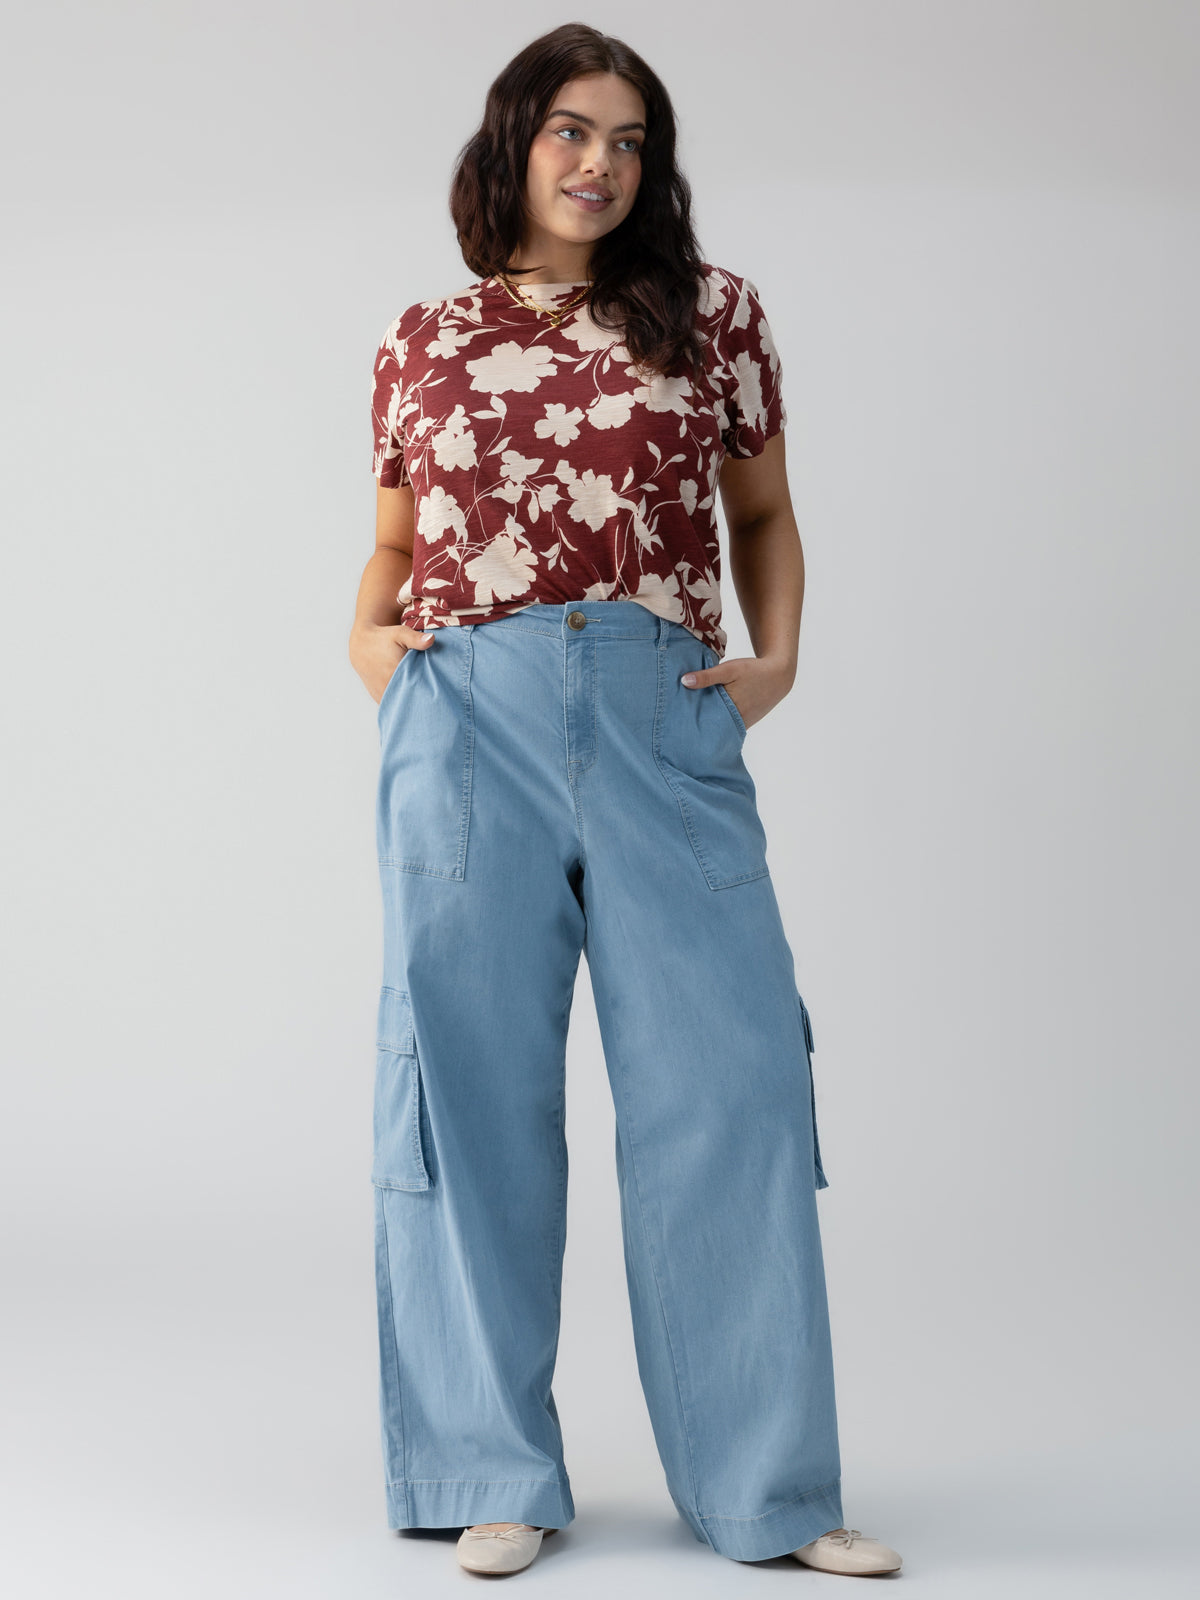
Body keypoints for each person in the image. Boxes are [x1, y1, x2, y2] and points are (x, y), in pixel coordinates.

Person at [349, 21, 903, 1581]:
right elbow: (391, 557)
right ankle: (486, 1470)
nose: (602, 164)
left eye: (632, 139)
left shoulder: (712, 316)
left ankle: (771, 1494)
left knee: (729, 1086)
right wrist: (378, 657)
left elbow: (767, 512)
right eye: (573, 133)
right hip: (467, 720)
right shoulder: (425, 336)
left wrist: (777, 659)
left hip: (665, 715)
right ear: (515, 142)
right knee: (464, 1088)